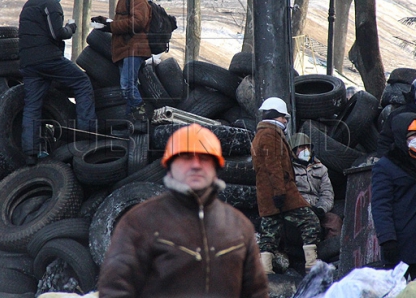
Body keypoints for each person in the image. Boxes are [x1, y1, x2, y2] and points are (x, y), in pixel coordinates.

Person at [98, 123, 269, 297]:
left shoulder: (239, 227)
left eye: (204, 158)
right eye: (186, 157)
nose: (196, 165)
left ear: (216, 167)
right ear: (170, 167)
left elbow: (256, 292)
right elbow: (115, 290)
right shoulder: (139, 222)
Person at [18, 0, 97, 165]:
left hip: (29, 62)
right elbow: (57, 34)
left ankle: (30, 153)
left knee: (32, 105)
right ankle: (87, 133)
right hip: (48, 59)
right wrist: (70, 27)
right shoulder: (51, 5)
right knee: (82, 82)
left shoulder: (30, 3)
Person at [371, 114, 416, 279]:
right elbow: (380, 206)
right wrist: (387, 239)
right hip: (400, 244)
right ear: (400, 136)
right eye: (412, 135)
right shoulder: (385, 166)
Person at [252, 97, 320, 274]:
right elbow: (273, 165)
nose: (285, 121)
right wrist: (280, 192)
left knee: (269, 231)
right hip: (280, 191)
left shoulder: (263, 134)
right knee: (309, 220)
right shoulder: (269, 135)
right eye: (284, 117)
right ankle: (312, 265)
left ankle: (265, 270)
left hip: (267, 194)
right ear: (276, 115)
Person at [91, 0, 152, 123]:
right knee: (126, 87)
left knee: (127, 85)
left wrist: (110, 27)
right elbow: (123, 22)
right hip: (125, 50)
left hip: (134, 49)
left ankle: (141, 114)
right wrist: (105, 22)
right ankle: (131, 118)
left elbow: (137, 23)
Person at [290, 133, 342, 240]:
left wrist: (321, 209)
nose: (306, 150)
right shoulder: (288, 169)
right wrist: (304, 207)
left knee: (334, 221)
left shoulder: (321, 168)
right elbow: (289, 192)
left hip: (318, 209)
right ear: (294, 151)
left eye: (308, 147)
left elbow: (327, 193)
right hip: (297, 210)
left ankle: (331, 253)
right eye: (301, 147)